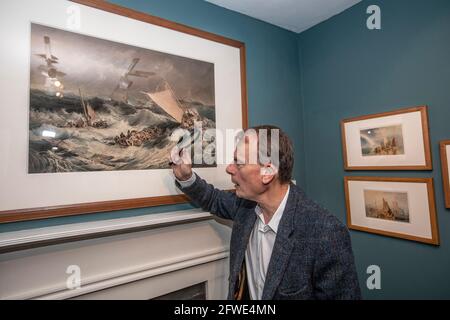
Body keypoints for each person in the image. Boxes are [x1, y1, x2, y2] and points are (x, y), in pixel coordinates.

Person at [170, 125, 361, 300]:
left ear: (267, 172)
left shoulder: (325, 233)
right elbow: (213, 199)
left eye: (239, 162)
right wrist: (186, 177)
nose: (229, 168)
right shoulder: (245, 207)